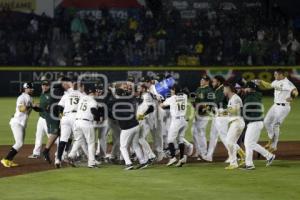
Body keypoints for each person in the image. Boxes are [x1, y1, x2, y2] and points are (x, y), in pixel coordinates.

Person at [255, 69, 298, 152]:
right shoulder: (276, 81)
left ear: (281, 75)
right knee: (266, 122)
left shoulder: (287, 83)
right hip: (275, 106)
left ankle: (274, 145)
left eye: (276, 74)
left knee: (275, 125)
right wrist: (261, 82)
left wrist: (292, 97)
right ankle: (272, 139)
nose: (274, 76)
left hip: (283, 107)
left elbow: (295, 91)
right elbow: (269, 86)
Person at [1, 82, 38, 167]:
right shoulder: (21, 97)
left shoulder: (30, 98)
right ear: (25, 88)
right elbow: (21, 109)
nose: (32, 89)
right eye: (30, 88)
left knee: (20, 143)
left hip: (22, 123)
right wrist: (31, 106)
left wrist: (40, 108)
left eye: (32, 88)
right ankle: (5, 159)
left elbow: (34, 108)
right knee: (19, 143)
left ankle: (9, 160)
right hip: (17, 122)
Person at [242, 81, 275, 170]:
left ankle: (267, 157)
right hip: (256, 122)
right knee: (249, 143)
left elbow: (245, 111)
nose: (244, 89)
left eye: (246, 88)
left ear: (250, 88)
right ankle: (250, 163)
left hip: (254, 122)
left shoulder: (250, 98)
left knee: (249, 143)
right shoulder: (256, 95)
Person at [68, 84, 101, 168]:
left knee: (78, 140)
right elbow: (93, 110)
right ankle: (91, 163)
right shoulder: (93, 101)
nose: (97, 93)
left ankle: (71, 155)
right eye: (96, 91)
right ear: (94, 92)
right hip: (86, 123)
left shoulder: (82, 99)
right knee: (91, 143)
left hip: (77, 122)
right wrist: (98, 118)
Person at [55, 77, 83, 168]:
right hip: (75, 117)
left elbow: (59, 107)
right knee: (78, 138)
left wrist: (61, 115)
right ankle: (71, 156)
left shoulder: (66, 95)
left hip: (65, 117)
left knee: (63, 139)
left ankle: (58, 159)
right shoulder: (80, 94)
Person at [161, 84, 188, 167]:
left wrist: (160, 100)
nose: (171, 91)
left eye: (172, 89)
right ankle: (182, 158)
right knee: (180, 139)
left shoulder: (172, 98)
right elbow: (183, 94)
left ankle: (173, 157)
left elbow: (162, 105)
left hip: (176, 121)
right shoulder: (185, 96)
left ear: (175, 90)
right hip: (184, 120)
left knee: (170, 140)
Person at [204, 75, 229, 162]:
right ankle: (209, 155)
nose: (212, 83)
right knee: (213, 135)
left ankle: (234, 154)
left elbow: (218, 101)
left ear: (218, 82)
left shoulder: (222, 89)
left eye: (214, 81)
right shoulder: (218, 89)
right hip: (217, 114)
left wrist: (208, 106)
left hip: (222, 114)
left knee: (223, 136)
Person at [222, 83, 245, 170]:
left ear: (228, 89)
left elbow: (235, 110)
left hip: (237, 122)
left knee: (229, 142)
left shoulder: (236, 98)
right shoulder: (232, 98)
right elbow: (230, 111)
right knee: (231, 143)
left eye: (224, 89)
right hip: (235, 122)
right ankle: (242, 157)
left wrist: (222, 112)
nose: (223, 91)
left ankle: (234, 162)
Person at [192, 75, 214, 160]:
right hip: (197, 113)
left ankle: (204, 153)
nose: (201, 80)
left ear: (207, 81)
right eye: (201, 79)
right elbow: (195, 101)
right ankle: (198, 151)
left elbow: (210, 104)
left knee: (201, 133)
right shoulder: (198, 89)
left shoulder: (209, 90)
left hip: (204, 115)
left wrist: (203, 110)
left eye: (203, 80)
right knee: (194, 132)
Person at [28, 80, 51, 159]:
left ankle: (62, 152)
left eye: (46, 85)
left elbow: (49, 108)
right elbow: (41, 108)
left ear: (49, 86)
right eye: (43, 85)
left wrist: (37, 106)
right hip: (41, 119)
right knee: (38, 135)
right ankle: (36, 153)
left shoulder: (51, 95)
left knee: (52, 137)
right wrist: (35, 107)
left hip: (48, 119)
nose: (44, 86)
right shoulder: (42, 94)